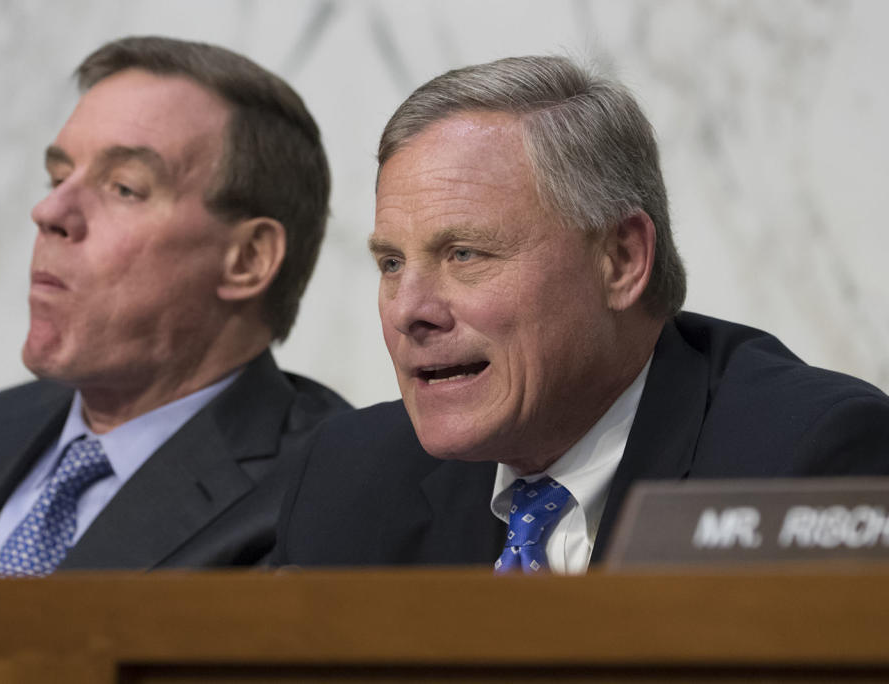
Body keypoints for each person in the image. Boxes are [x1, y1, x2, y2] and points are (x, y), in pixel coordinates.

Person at [275, 55, 889, 573]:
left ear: (621, 259)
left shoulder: (806, 462)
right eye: (390, 264)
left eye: (464, 254)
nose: (410, 310)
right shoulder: (347, 475)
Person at [0, 36, 350, 575]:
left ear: (247, 258)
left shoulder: (324, 490)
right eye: (58, 178)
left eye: (124, 187)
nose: (49, 209)